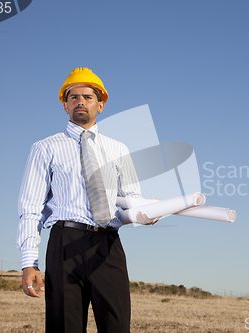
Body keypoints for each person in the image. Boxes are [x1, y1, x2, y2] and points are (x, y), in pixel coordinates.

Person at [17, 67, 157, 333]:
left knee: (116, 325)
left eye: (88, 97)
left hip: (107, 245)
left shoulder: (119, 149)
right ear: (65, 105)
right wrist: (29, 262)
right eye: (73, 97)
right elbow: (30, 208)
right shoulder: (45, 148)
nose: (80, 101)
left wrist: (149, 211)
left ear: (100, 105)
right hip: (64, 244)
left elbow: (131, 198)